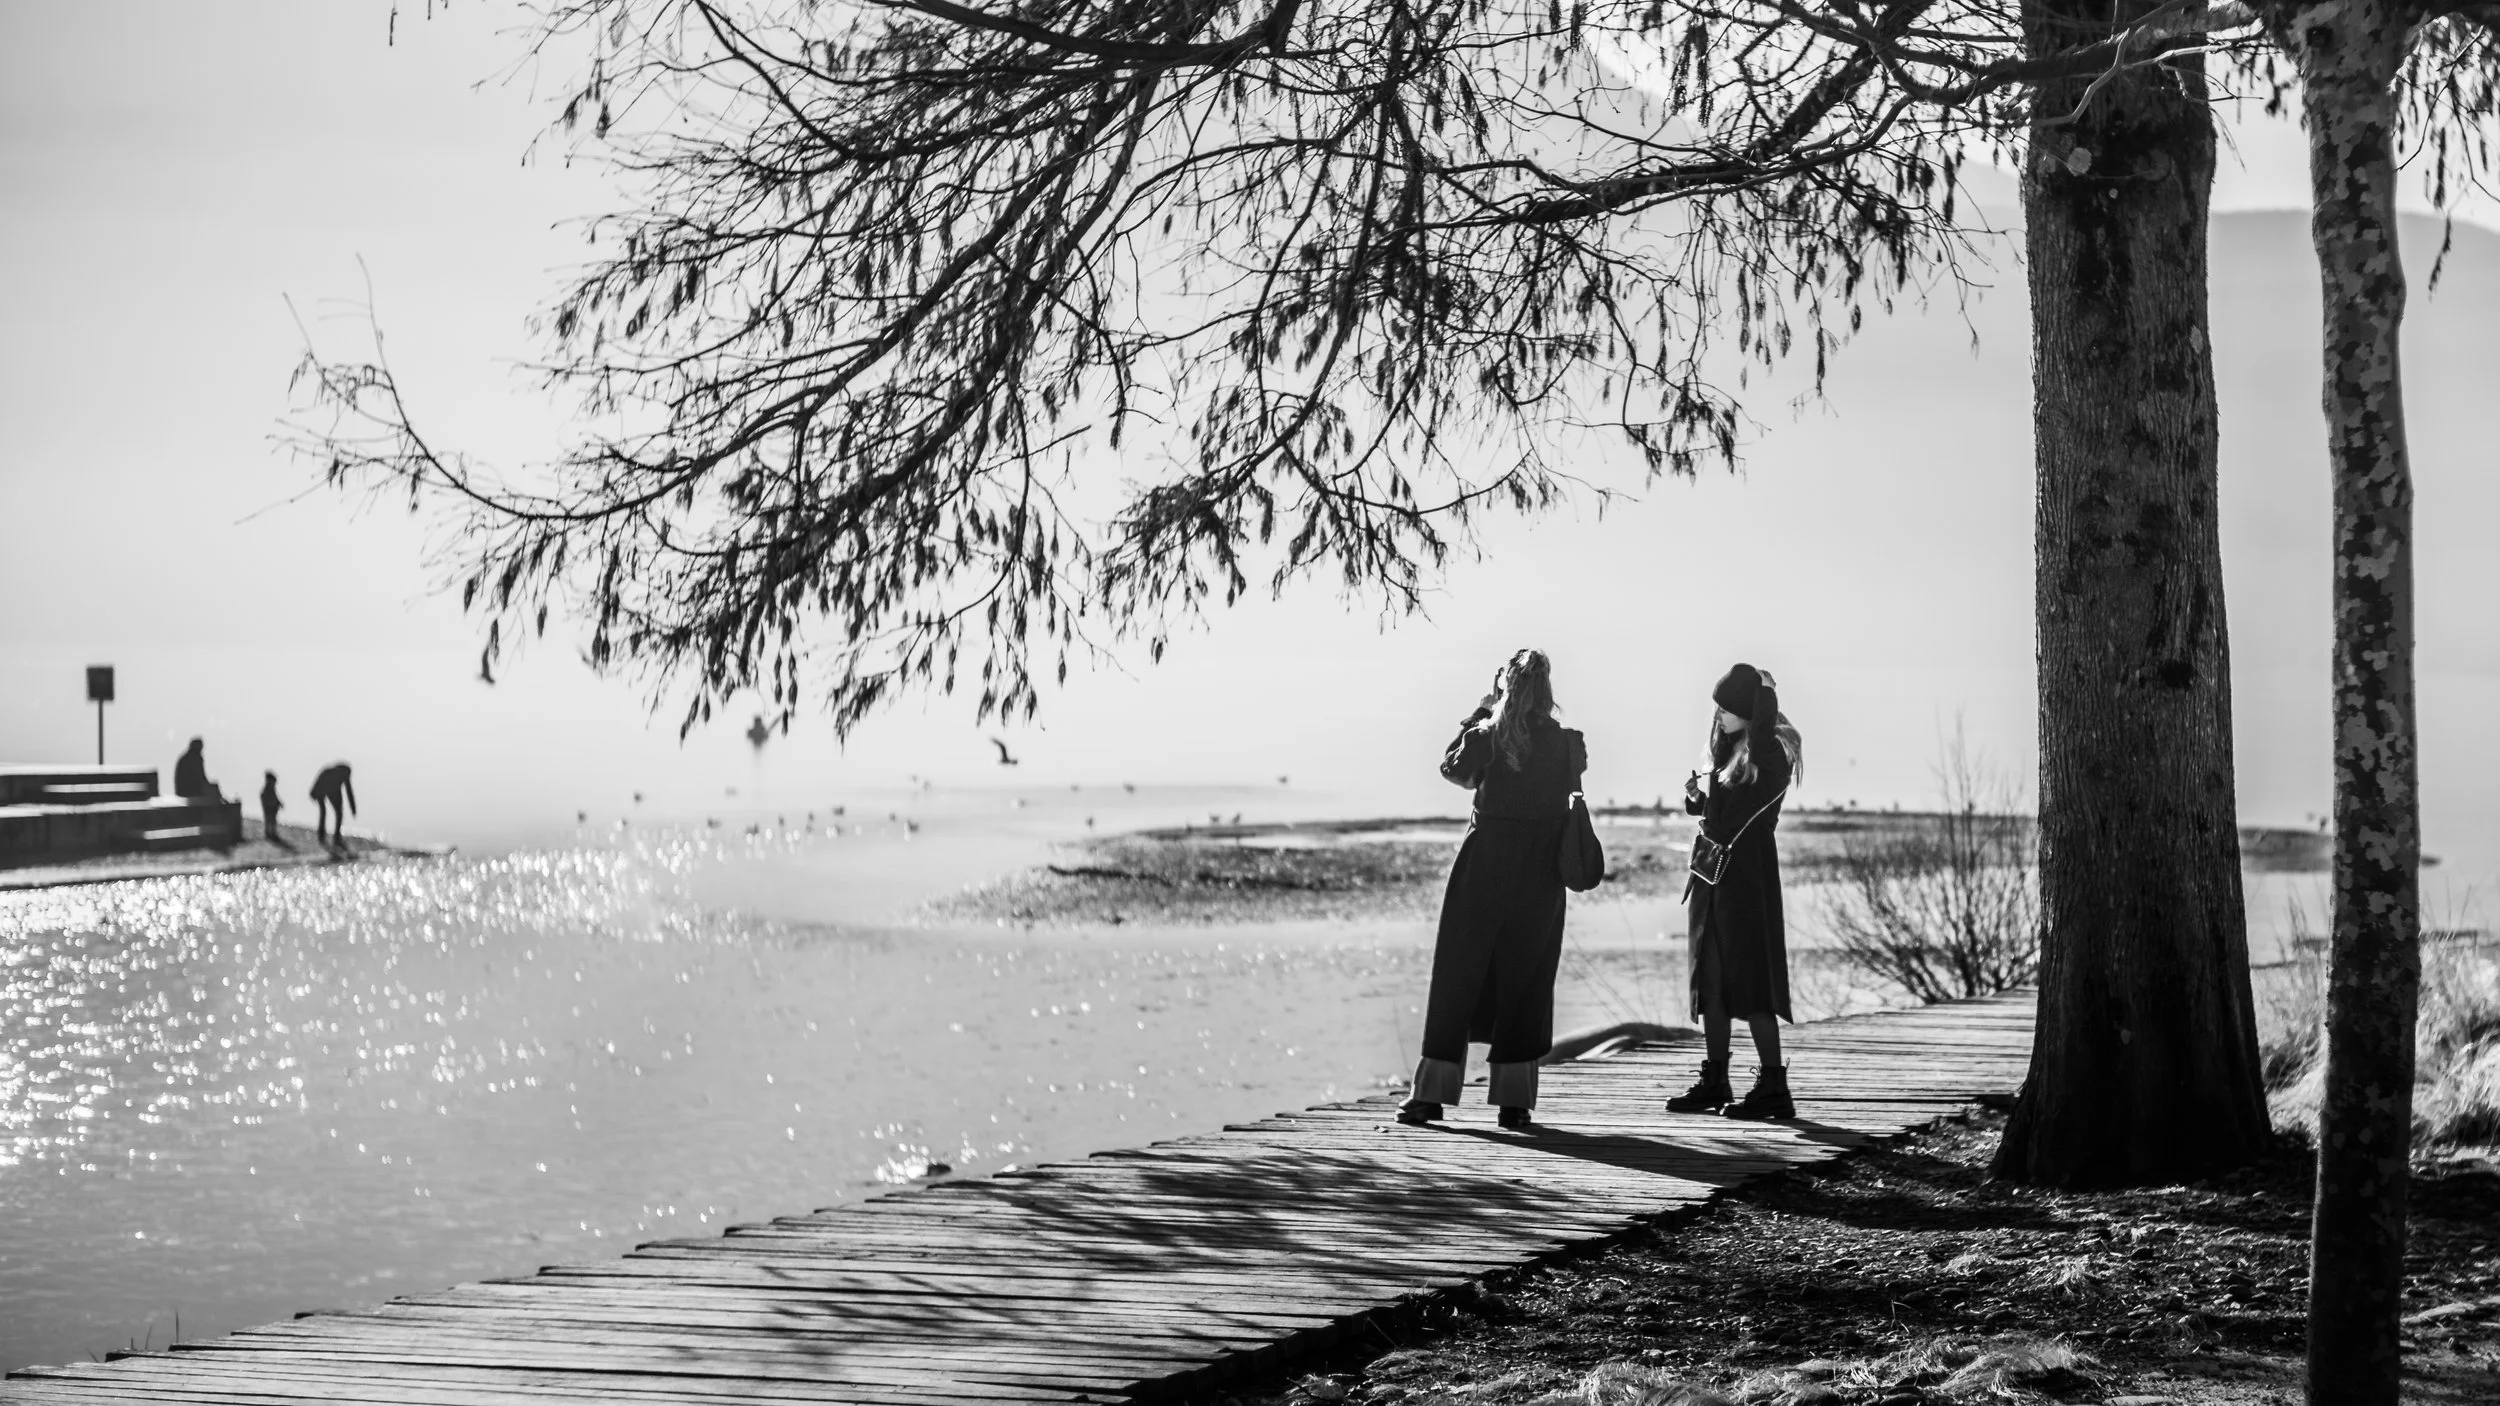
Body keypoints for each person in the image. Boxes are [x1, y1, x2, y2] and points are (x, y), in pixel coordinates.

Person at [1398, 649, 1589, 1132]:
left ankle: (1430, 1097)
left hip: (1484, 866)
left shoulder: (1487, 737)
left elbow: (1454, 772)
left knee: (1457, 977)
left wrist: (1481, 712)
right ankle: (1515, 1103)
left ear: (1505, 685)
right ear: (1547, 692)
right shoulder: (1568, 743)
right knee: (1526, 980)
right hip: (1541, 875)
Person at [1667, 663, 1804, 1121]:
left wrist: (1764, 692)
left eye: (1728, 707)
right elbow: (1724, 811)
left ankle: (1772, 1088)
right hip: (1712, 876)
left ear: (1753, 711)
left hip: (1748, 878)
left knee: (1752, 980)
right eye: (1718, 706)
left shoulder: (1772, 751)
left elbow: (1753, 797)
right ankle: (1715, 1079)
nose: (1719, 714)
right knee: (1711, 982)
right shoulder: (1730, 751)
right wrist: (1697, 800)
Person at [310, 763, 357, 847]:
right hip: (321, 791)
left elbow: (348, 791)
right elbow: (348, 791)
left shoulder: (334, 773)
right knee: (328, 812)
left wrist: (353, 808)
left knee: (334, 813)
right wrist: (353, 808)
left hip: (326, 790)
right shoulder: (336, 774)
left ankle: (334, 838)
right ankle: (329, 837)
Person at [258, 771, 285, 843]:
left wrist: (279, 803)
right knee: (269, 821)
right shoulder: (266, 790)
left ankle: (272, 834)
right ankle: (269, 834)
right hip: (268, 809)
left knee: (272, 822)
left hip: (273, 808)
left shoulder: (271, 789)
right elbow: (265, 798)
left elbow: (275, 798)